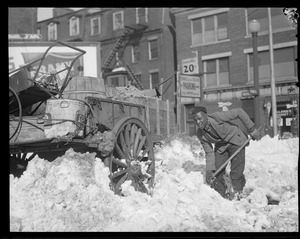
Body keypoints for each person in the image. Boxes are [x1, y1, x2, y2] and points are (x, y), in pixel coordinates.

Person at [193, 106, 260, 200]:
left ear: (206, 116)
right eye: (195, 120)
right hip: (221, 146)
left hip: (236, 139)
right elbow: (209, 152)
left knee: (236, 173)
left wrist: (252, 129)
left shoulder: (217, 117)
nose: (198, 122)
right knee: (217, 173)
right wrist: (209, 171)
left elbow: (239, 112)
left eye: (200, 118)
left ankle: (238, 194)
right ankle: (221, 196)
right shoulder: (200, 134)